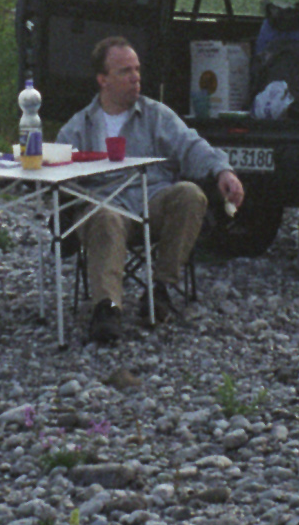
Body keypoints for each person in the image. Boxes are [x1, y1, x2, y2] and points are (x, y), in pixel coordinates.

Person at [59, 35, 245, 342]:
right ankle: (107, 308)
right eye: (125, 71)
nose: (135, 77)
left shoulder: (157, 115)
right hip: (106, 206)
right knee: (103, 216)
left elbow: (191, 145)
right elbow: (62, 181)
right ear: (103, 79)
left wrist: (223, 170)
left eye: (137, 69)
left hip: (153, 200)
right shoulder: (78, 128)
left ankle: (161, 289)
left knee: (189, 194)